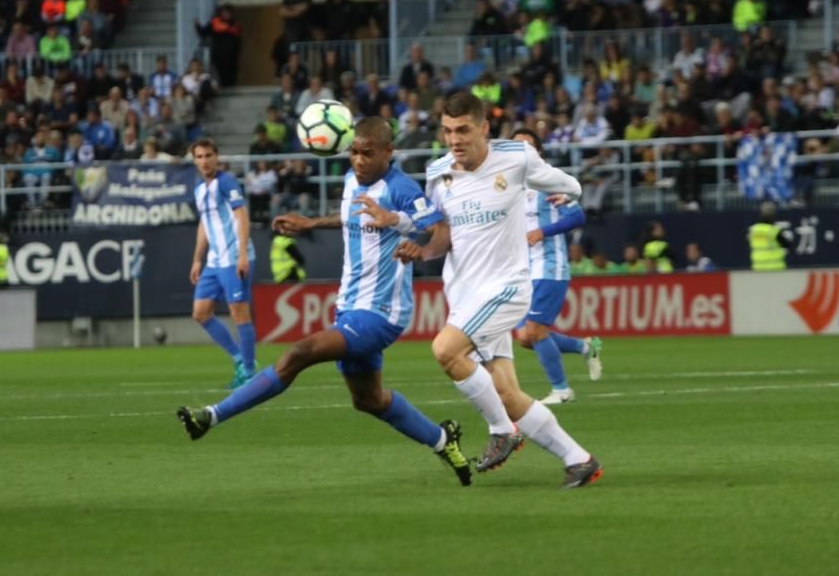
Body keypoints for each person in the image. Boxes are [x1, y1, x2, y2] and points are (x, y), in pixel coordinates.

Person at [176, 118, 473, 487]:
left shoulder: (400, 188)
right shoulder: (351, 181)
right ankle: (444, 440)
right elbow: (352, 219)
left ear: (387, 152)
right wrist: (312, 223)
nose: (359, 160)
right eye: (354, 152)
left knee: (299, 353)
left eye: (368, 153)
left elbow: (440, 227)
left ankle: (210, 416)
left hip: (381, 313)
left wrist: (417, 244)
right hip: (349, 305)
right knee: (369, 400)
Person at [395, 92, 603, 489]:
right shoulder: (439, 171)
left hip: (506, 288)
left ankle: (502, 430)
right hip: (464, 295)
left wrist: (570, 192)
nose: (454, 139)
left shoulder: (516, 157)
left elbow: (568, 184)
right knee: (507, 392)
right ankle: (580, 460)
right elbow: (443, 237)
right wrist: (422, 251)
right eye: (447, 131)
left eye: (463, 130)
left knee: (444, 350)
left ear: (484, 128)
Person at [509, 130, 603, 406]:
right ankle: (584, 346)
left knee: (534, 332)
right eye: (515, 147)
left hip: (550, 266)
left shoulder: (548, 181)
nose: (521, 151)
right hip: (521, 270)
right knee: (526, 338)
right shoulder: (509, 185)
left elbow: (577, 216)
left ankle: (561, 390)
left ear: (539, 152)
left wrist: (544, 231)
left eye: (527, 146)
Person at [188, 138, 257, 389]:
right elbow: (205, 225)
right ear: (194, 160)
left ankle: (249, 373)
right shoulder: (198, 188)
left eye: (208, 156)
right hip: (214, 261)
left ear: (217, 157)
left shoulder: (226, 182)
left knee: (240, 314)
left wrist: (241, 254)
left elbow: (242, 216)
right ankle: (240, 359)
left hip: (233, 258)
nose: (204, 161)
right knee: (201, 313)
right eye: (199, 157)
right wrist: (197, 259)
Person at [748, 201, 790, 271]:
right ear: (774, 215)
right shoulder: (774, 231)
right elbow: (786, 244)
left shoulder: (753, 230)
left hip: (758, 267)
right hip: (775, 267)